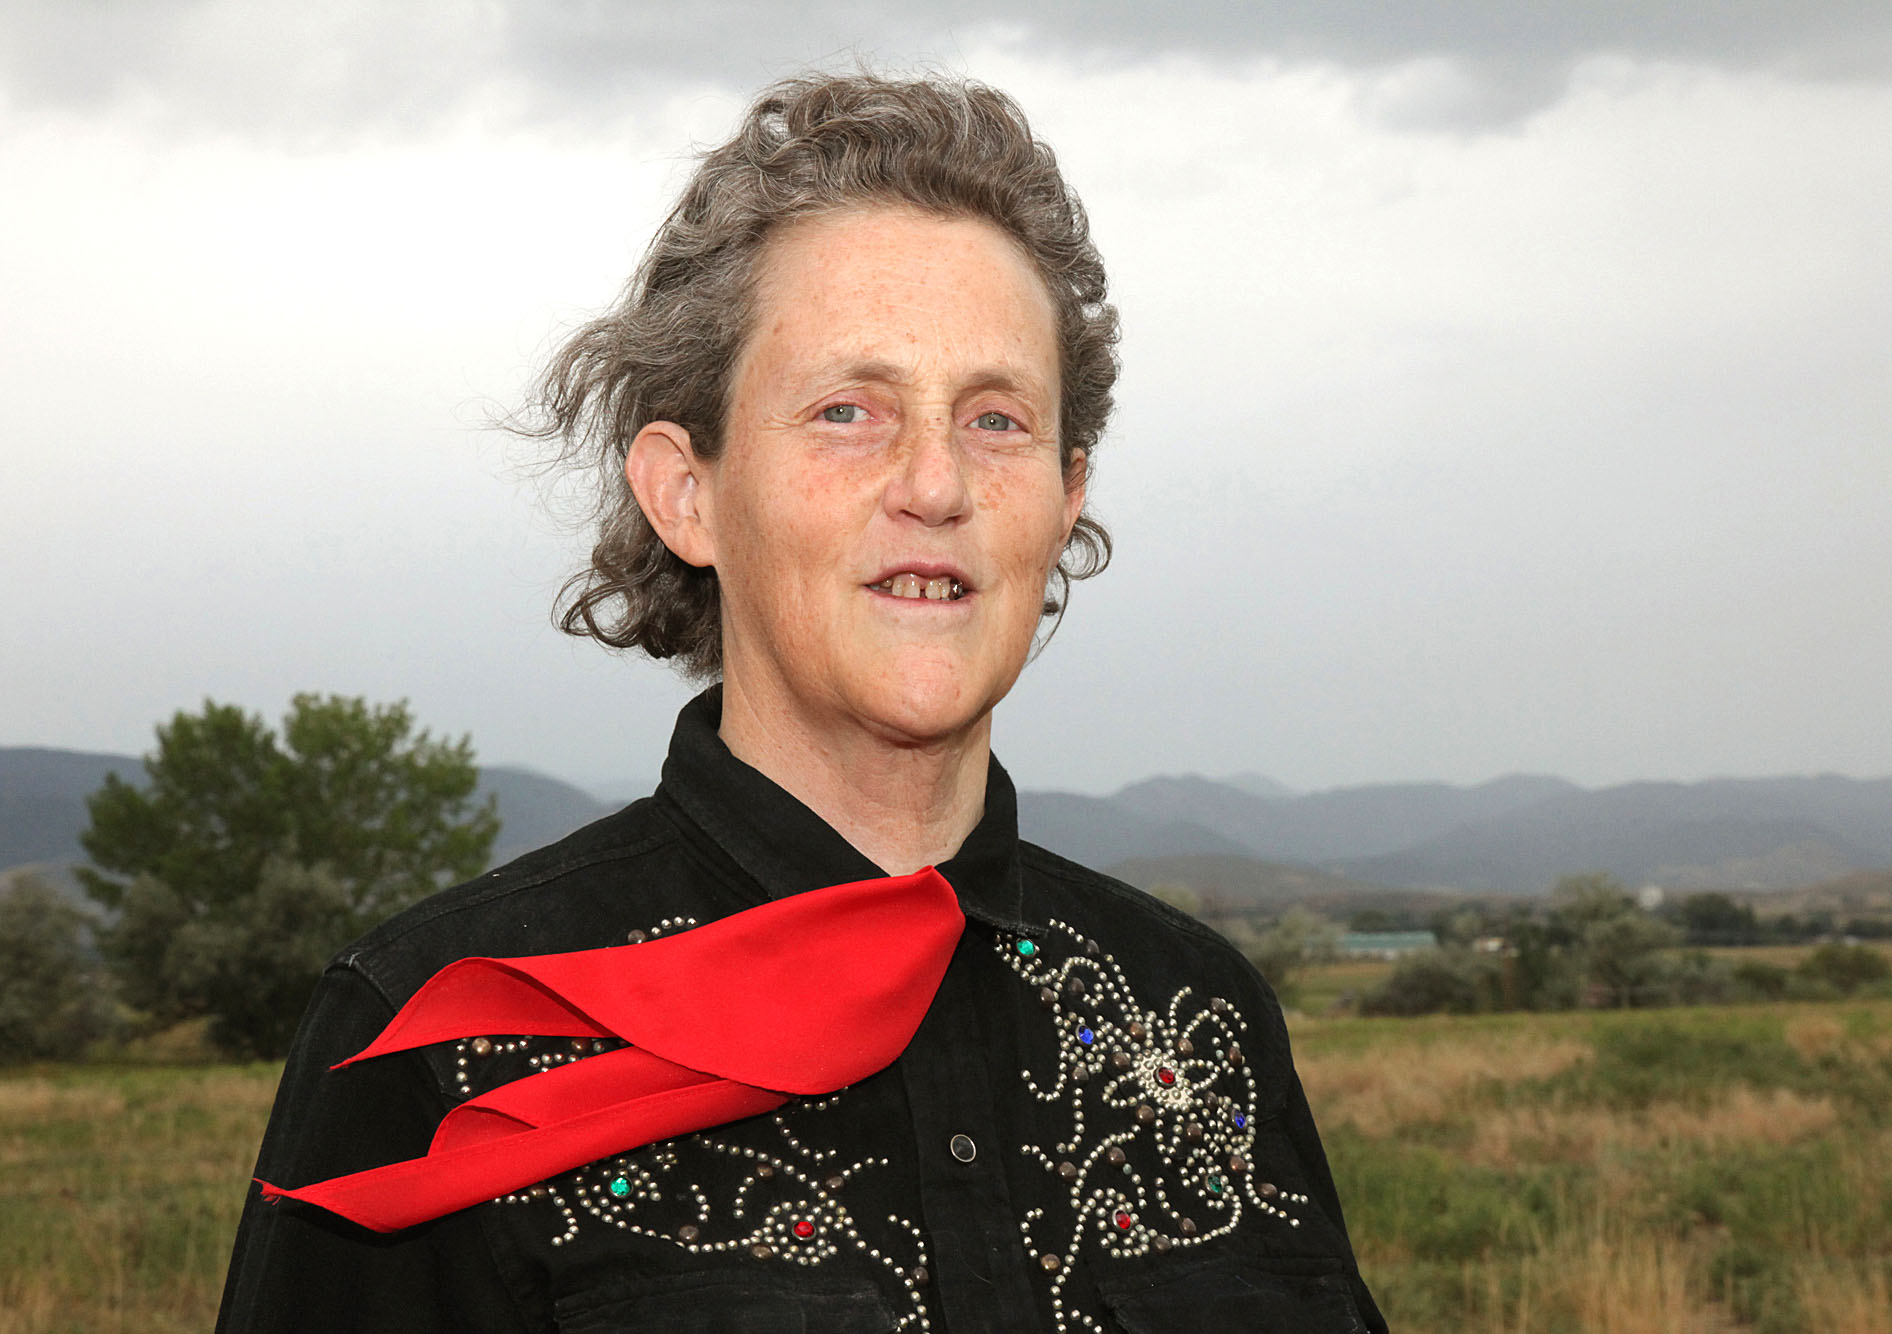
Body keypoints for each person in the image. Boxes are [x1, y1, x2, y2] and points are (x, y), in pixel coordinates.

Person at [218, 71, 1387, 1333]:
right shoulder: (445, 1030)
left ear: (1065, 497)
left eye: (997, 419)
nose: (935, 481)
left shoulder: (1196, 1016)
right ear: (687, 494)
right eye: (847, 411)